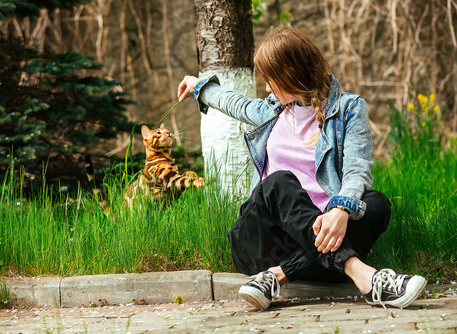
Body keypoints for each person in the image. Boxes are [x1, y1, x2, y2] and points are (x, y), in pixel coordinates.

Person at [177, 26, 426, 310]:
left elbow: (358, 169)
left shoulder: (349, 109)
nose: (268, 88)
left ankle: (276, 276)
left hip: (317, 243)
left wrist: (340, 210)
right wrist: (199, 86)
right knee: (279, 181)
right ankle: (365, 275)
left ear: (290, 74)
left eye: (271, 80)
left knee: (376, 203)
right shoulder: (272, 111)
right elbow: (234, 103)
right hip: (262, 242)